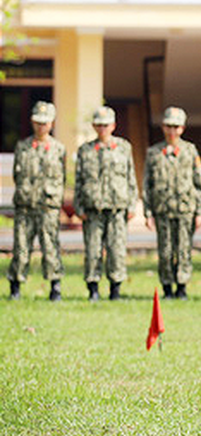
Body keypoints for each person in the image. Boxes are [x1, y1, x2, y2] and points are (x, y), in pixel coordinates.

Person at [73, 105, 138, 301]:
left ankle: (115, 289)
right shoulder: (85, 150)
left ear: (113, 126)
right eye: (99, 125)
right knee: (93, 250)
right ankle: (93, 289)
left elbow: (131, 177)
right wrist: (79, 206)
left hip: (117, 208)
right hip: (93, 209)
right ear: (94, 126)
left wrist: (132, 205)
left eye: (106, 125)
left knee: (116, 250)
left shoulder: (124, 147)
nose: (102, 129)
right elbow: (79, 181)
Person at [142, 106, 201, 300]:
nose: (172, 131)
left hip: (185, 209)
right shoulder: (154, 152)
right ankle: (168, 287)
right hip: (162, 209)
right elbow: (147, 184)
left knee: (184, 249)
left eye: (176, 127)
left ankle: (182, 287)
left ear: (182, 129)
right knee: (166, 250)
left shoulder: (190, 151)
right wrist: (148, 212)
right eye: (168, 126)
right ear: (163, 127)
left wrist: (200, 211)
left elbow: (199, 183)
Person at [7, 101, 66, 301]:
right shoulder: (22, 147)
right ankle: (15, 287)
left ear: (52, 123)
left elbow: (62, 177)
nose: (41, 126)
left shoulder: (58, 149)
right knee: (21, 249)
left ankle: (55, 287)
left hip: (48, 208)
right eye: (38, 122)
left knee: (50, 248)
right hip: (25, 206)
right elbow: (17, 175)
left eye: (45, 122)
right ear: (32, 122)